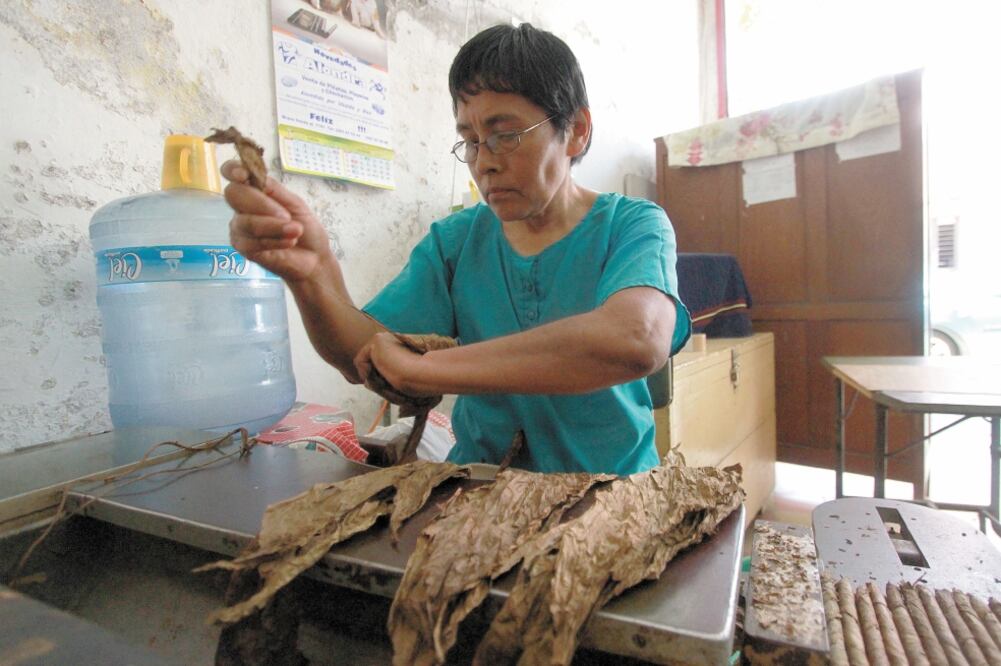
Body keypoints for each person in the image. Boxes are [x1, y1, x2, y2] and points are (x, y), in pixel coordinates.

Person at [224, 23, 691, 475]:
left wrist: (428, 371)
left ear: (577, 130)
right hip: (481, 487)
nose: (484, 162)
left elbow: (635, 339)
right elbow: (363, 358)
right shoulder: (456, 242)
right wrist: (313, 275)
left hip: (610, 494)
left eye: (505, 135)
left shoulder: (632, 225)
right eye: (469, 141)